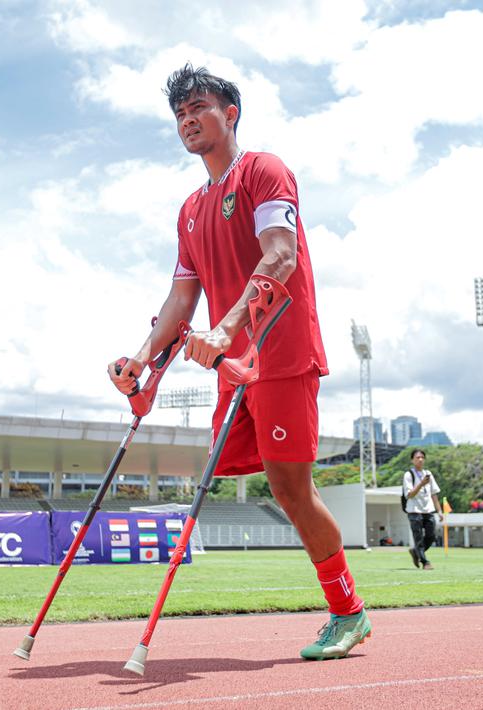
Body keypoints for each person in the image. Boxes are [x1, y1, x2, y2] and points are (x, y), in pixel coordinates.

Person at [107, 64, 369, 661]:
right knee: (275, 483)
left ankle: (348, 612)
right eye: (179, 114)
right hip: (234, 364)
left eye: (198, 107)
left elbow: (280, 255)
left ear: (230, 114)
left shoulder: (263, 172)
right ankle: (347, 610)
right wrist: (141, 359)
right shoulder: (191, 209)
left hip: (280, 351)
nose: (188, 121)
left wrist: (226, 328)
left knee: (293, 486)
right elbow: (181, 297)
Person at [401, 449, 443, 570]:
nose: (420, 459)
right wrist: (421, 484)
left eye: (422, 457)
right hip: (414, 510)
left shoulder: (428, 473)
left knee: (431, 536)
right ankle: (425, 562)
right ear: (412, 460)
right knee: (418, 538)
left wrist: (439, 511)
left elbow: (434, 494)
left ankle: (416, 552)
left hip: (428, 510)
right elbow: (409, 495)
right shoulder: (409, 474)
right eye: (417, 457)